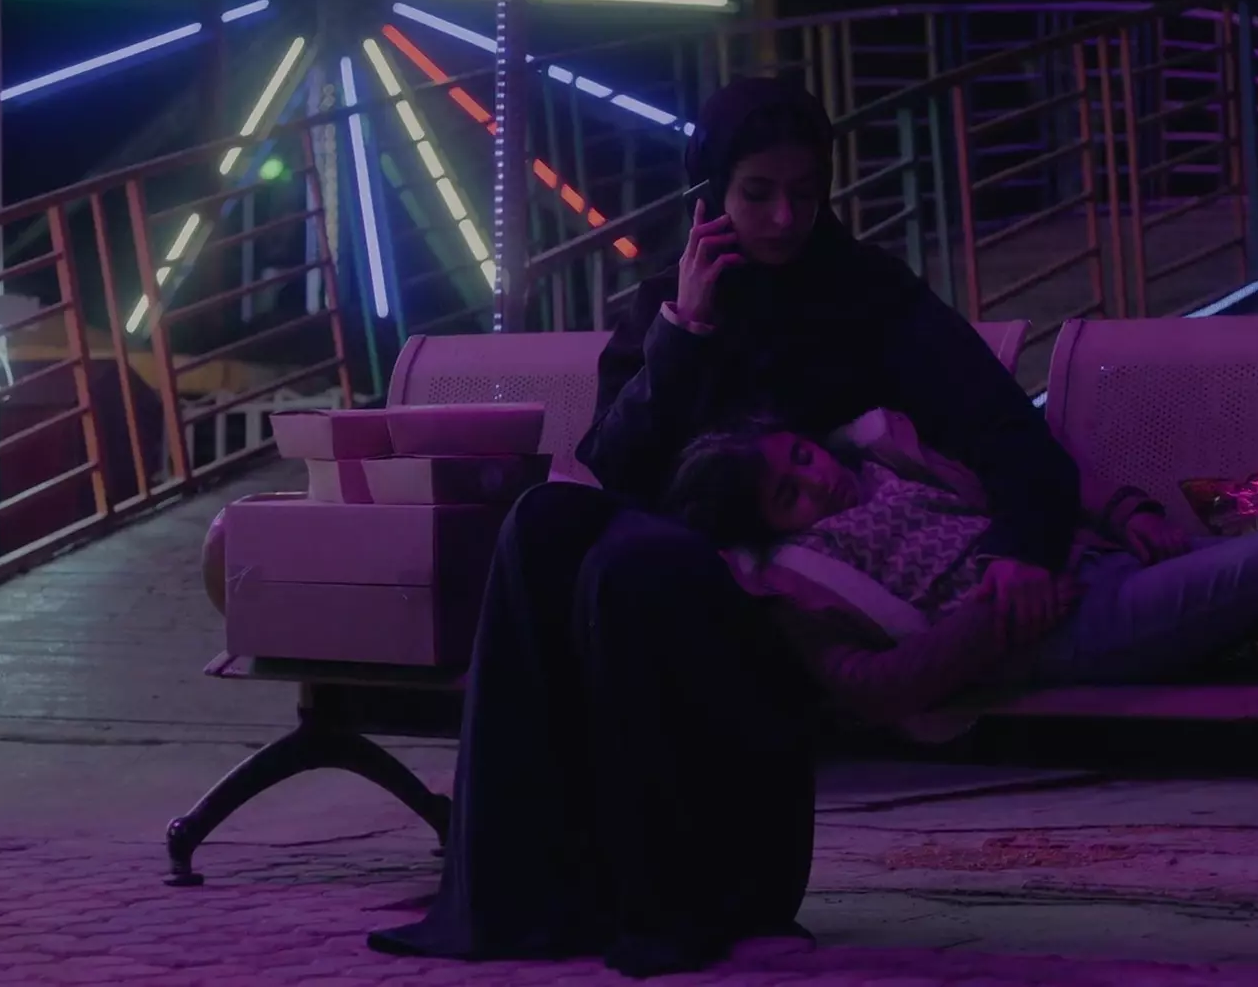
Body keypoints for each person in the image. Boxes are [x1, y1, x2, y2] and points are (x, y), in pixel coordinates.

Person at [367, 77, 1084, 977]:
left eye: (805, 193)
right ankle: (510, 894)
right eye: (758, 193)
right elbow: (615, 463)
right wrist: (686, 329)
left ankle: (677, 904)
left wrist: (1023, 546)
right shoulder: (670, 301)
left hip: (780, 574)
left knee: (631, 565)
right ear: (711, 193)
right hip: (668, 555)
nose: (784, 218)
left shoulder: (868, 295)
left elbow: (1005, 429)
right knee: (544, 517)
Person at [661, 415, 1258, 730]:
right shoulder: (802, 577)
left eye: (803, 455)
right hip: (1054, 627)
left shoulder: (892, 457)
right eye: (788, 492)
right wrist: (998, 615)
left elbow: (1031, 465)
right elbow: (873, 688)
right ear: (766, 528)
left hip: (1100, 570)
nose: (816, 479)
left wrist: (1122, 510)